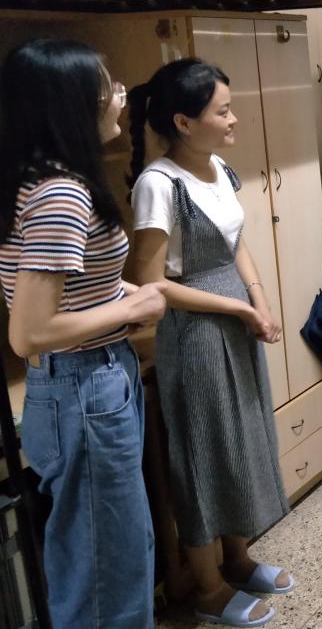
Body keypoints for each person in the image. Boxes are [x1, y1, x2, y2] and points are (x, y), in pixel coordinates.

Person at [0, 39, 167, 628]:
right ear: (71, 104)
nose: (119, 97)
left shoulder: (33, 179)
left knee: (108, 554)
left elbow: (69, 290)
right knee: (106, 574)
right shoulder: (60, 194)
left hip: (83, 383)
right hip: (83, 387)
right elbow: (30, 330)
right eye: (107, 88)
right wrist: (134, 304)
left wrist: (122, 298)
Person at [128, 59, 291, 628]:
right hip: (196, 334)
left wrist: (259, 298)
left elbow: (236, 242)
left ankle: (237, 559)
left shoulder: (218, 166)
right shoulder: (158, 184)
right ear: (184, 122)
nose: (233, 119)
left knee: (240, 439)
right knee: (203, 454)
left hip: (236, 319)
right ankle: (207, 587)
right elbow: (151, 282)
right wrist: (239, 308)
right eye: (223, 111)